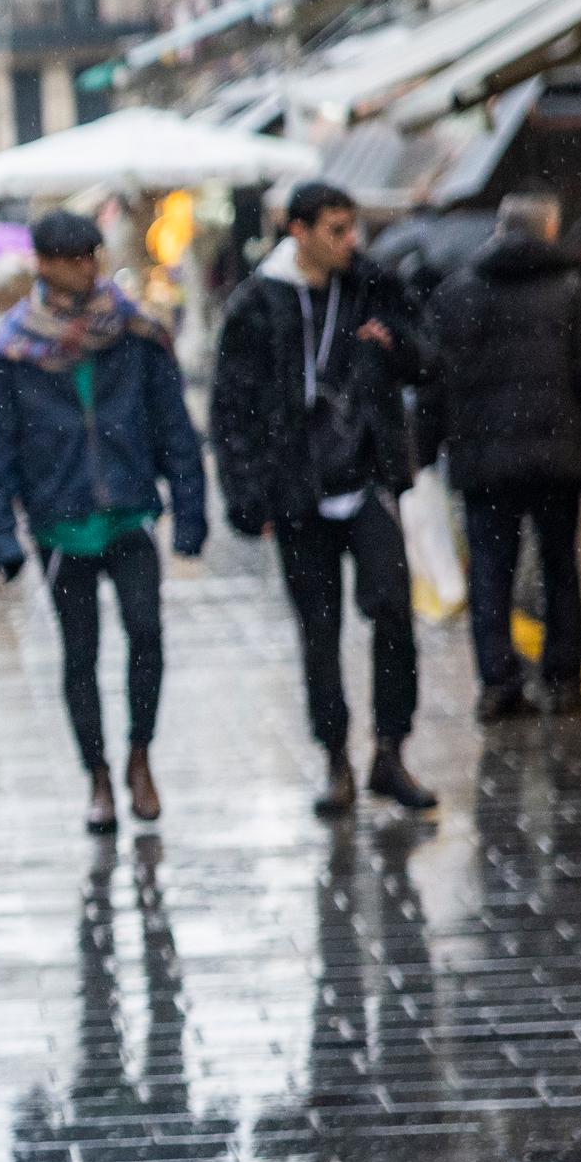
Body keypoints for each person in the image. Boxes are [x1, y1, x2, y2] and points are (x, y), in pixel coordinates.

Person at [0, 210, 209, 833]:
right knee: (80, 656)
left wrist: (190, 513)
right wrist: (0, 535)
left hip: (129, 512)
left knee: (146, 636)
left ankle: (139, 756)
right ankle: (97, 776)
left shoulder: (133, 332)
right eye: (73, 257)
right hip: (60, 522)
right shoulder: (12, 350)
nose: (86, 268)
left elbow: (175, 428)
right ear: (43, 263)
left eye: (92, 256)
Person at [210, 182, 438, 816]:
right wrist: (246, 495)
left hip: (366, 475)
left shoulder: (371, 286)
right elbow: (230, 407)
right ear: (299, 231)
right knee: (319, 628)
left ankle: (390, 751)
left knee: (393, 609)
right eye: (336, 230)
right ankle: (334, 757)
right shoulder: (258, 302)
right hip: (296, 486)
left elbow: (427, 359)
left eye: (352, 229)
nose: (350, 242)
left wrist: (392, 341)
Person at [429, 192, 581, 721]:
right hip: (557, 457)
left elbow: (437, 383)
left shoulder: (457, 292)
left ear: (499, 228)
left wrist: (423, 450)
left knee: (491, 571)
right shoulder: (576, 290)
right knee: (560, 565)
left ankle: (498, 683)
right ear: (549, 230)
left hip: (482, 461)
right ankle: (563, 679)